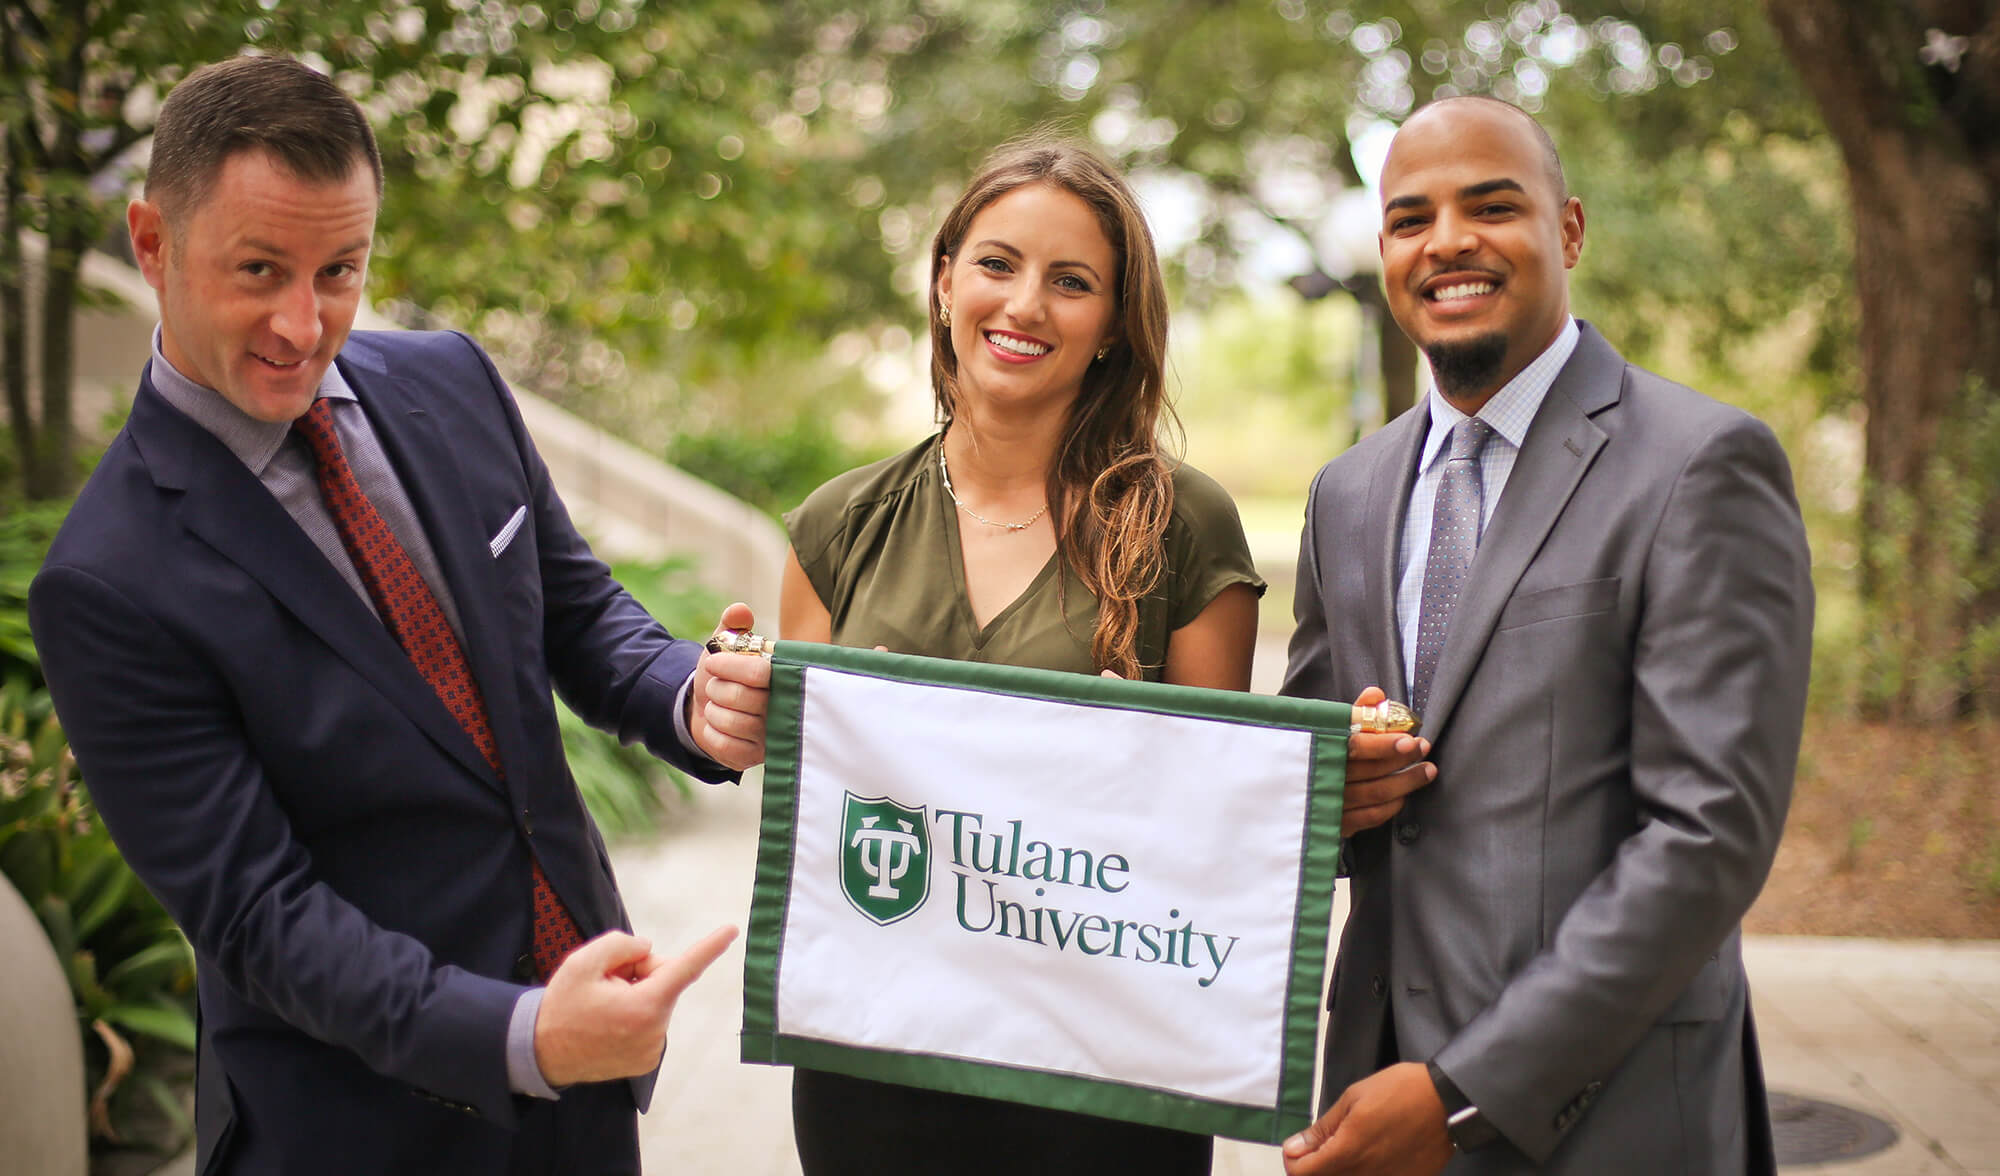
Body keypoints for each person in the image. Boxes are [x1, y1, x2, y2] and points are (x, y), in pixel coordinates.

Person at [27, 56, 773, 1176]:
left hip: (587, 1075)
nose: (302, 321)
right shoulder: (105, 579)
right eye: (258, 270)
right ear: (150, 243)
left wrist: (690, 697)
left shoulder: (452, 382)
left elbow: (578, 616)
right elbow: (260, 917)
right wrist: (521, 1037)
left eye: (341, 270)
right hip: (356, 1128)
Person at [1277, 96, 1814, 1176]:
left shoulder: (1699, 465)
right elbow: (1297, 774)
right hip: (1371, 1106)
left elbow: (1707, 840)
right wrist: (1326, 785)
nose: (1446, 244)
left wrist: (1464, 1094)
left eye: (1490, 206)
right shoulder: (1347, 493)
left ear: (1565, 232)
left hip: (1608, 1119)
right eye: (1407, 218)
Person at [776, 136, 1266, 1173]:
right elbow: (809, 799)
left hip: (1104, 1072)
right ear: (945, 278)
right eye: (997, 264)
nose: (1025, 305)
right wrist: (737, 704)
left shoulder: (1184, 527)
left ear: (1113, 329)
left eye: (1071, 282)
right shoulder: (835, 526)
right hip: (875, 1062)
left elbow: (1212, 827)